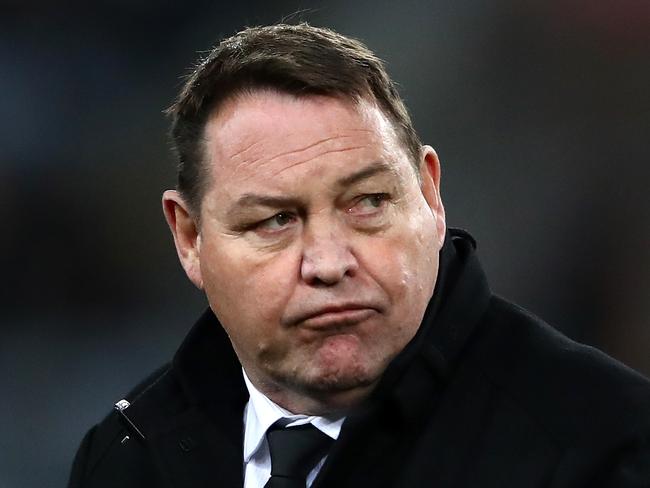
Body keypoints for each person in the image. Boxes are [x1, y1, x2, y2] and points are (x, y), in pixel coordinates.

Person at [68, 23, 650, 488]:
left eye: (368, 202)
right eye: (275, 220)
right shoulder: (127, 456)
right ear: (190, 238)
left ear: (428, 194)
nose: (328, 263)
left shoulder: (604, 442)